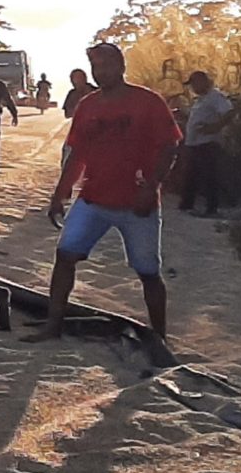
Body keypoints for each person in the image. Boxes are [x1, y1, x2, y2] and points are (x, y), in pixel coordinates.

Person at [38, 42, 183, 348]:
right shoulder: (88, 106)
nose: (101, 72)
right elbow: (77, 154)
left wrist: (152, 185)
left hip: (137, 204)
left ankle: (160, 337)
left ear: (121, 66)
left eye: (106, 65)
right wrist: (59, 194)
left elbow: (170, 146)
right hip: (93, 199)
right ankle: (53, 327)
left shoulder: (147, 101)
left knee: (148, 272)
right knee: (65, 256)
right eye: (96, 66)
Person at [180, 69, 236, 217]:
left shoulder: (215, 96)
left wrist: (215, 127)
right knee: (191, 175)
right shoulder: (201, 99)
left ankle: (211, 209)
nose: (192, 88)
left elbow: (229, 112)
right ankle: (186, 205)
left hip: (207, 144)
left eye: (194, 84)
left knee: (209, 176)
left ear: (202, 82)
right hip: (195, 143)